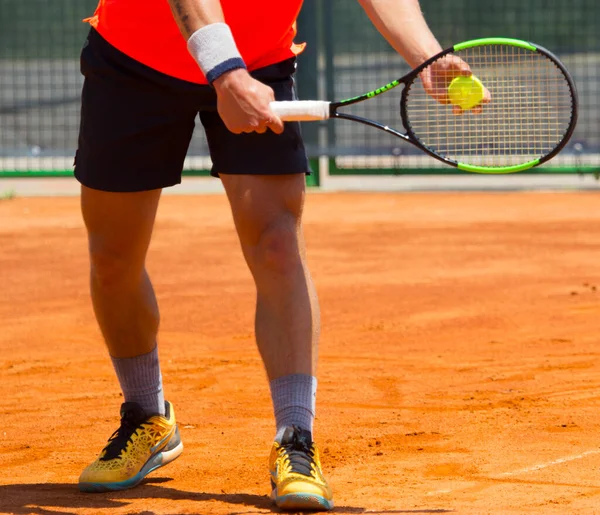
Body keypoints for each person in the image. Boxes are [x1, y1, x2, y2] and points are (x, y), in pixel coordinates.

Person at [75, 0, 478, 510]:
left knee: (278, 243)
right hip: (136, 59)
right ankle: (146, 414)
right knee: (114, 258)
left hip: (260, 57)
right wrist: (225, 71)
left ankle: (296, 437)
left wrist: (427, 56)